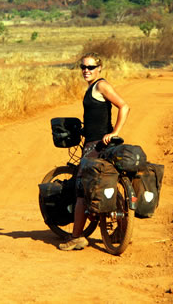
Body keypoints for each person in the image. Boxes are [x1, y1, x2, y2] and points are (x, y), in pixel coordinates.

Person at [59, 52, 130, 251]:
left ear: (99, 68)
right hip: (93, 141)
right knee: (104, 182)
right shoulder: (92, 87)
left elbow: (124, 106)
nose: (86, 71)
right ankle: (120, 229)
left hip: (97, 145)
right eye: (83, 67)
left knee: (81, 189)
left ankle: (76, 237)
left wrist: (115, 132)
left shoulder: (101, 85)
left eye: (90, 67)